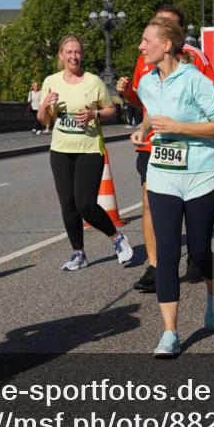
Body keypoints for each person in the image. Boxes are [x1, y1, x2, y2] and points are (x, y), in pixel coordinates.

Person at [131, 17, 214, 357]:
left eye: (146, 41)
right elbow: (151, 110)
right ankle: (170, 333)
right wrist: (144, 129)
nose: (141, 47)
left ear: (167, 45)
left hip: (202, 177)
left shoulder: (195, 81)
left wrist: (180, 127)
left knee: (199, 252)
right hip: (163, 176)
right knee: (167, 254)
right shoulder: (146, 82)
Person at [117, 5, 214, 293]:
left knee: (189, 207)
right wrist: (127, 95)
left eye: (164, 23)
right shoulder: (145, 59)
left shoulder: (196, 59)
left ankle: (197, 257)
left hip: (192, 145)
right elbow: (143, 101)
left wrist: (185, 126)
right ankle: (156, 265)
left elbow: (211, 107)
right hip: (155, 145)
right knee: (150, 203)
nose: (157, 25)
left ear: (172, 35)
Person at [39, 34, 133, 272]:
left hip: (89, 149)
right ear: (61, 55)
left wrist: (96, 115)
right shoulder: (51, 81)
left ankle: (117, 238)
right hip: (60, 150)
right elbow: (44, 121)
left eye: (77, 52)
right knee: (67, 205)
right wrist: (44, 105)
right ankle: (78, 253)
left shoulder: (93, 82)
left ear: (82, 55)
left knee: (86, 205)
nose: (73, 56)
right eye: (69, 52)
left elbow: (112, 109)